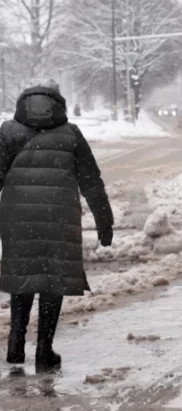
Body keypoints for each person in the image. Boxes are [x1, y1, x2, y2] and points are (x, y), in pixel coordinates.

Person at [0, 78, 114, 372]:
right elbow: (91, 181)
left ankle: (16, 343)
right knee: (53, 280)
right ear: (58, 101)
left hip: (18, 219)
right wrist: (105, 221)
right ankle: (43, 350)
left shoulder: (8, 132)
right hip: (60, 218)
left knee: (23, 276)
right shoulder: (71, 134)